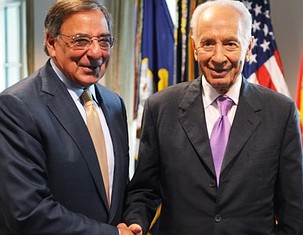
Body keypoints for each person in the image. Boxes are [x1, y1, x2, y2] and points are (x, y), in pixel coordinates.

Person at [121, 0, 303, 234]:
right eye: (208, 44)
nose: (218, 57)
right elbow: (144, 190)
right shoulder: (161, 107)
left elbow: (294, 210)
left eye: (230, 44)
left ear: (248, 48)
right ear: (195, 47)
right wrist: (136, 221)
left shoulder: (280, 112)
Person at [0, 0, 134, 234]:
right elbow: (27, 212)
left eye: (104, 40)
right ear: (51, 43)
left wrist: (133, 222)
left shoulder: (114, 104)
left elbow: (119, 190)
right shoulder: (17, 106)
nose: (95, 53)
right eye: (80, 41)